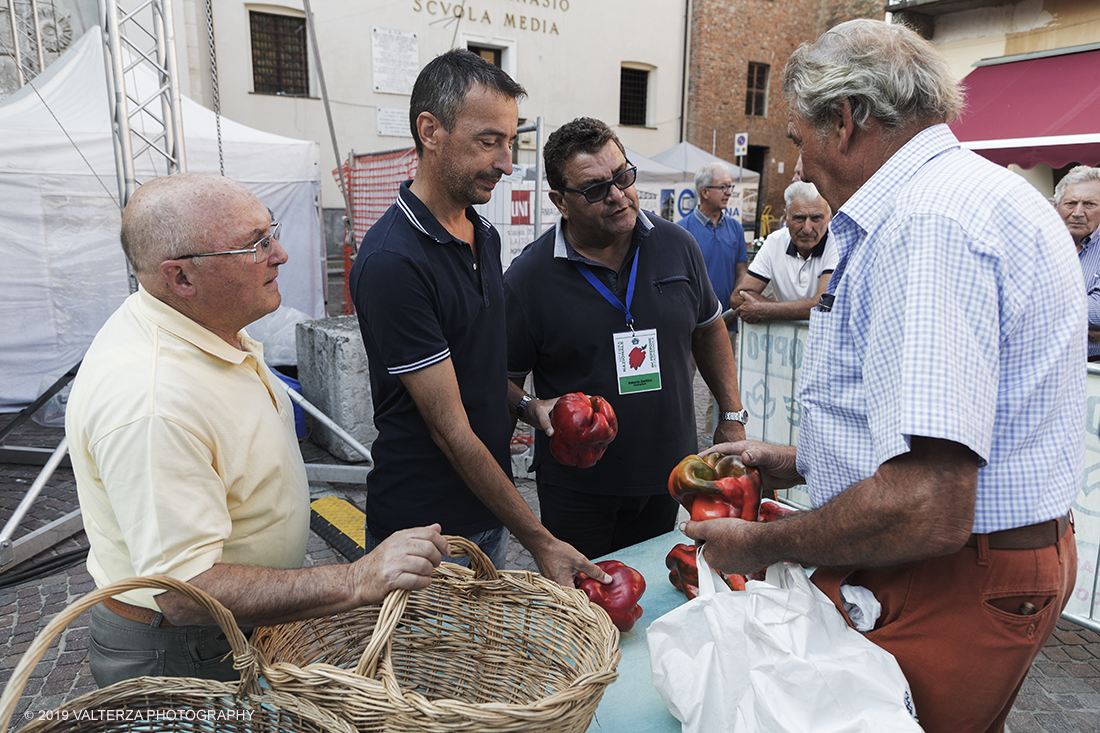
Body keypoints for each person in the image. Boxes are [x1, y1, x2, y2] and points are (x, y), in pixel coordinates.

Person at [684, 20, 1083, 733]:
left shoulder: (926, 224)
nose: (799, 163)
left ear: (845, 120)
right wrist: (803, 460)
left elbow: (929, 501)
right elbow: (955, 439)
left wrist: (764, 542)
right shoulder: (980, 193)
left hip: (954, 571)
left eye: (800, 135)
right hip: (982, 560)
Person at [65, 173, 450, 687]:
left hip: (227, 634)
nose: (281, 254)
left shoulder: (204, 323)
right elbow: (186, 591)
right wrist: (357, 578)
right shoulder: (152, 400)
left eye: (271, 231)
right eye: (256, 244)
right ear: (181, 278)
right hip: (185, 650)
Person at [348, 50, 606, 587]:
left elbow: (478, 373)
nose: (506, 163)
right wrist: (540, 539)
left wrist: (532, 407)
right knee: (429, 674)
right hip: (424, 539)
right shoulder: (393, 261)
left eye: (511, 142)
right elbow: (450, 430)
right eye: (489, 141)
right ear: (430, 130)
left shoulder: (481, 234)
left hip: (488, 514)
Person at [504, 117, 747, 560]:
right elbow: (497, 377)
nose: (617, 195)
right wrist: (530, 407)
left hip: (669, 475)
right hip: (578, 490)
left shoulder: (678, 245)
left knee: (652, 598)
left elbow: (709, 325)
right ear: (560, 201)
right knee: (584, 609)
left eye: (623, 176)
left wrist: (731, 412)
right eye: (595, 189)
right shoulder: (528, 278)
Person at [675, 162, 748, 437]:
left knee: (723, 389)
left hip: (726, 323)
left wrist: (737, 297)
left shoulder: (736, 229)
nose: (729, 192)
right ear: (705, 192)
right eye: (724, 186)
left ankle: (714, 439)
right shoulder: (681, 230)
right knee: (683, 385)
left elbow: (742, 271)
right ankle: (682, 438)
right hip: (691, 325)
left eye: (730, 186)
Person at [730, 181, 836, 322]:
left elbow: (822, 304)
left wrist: (763, 310)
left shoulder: (836, 244)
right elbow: (738, 297)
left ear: (830, 217)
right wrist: (791, 311)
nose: (807, 228)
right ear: (785, 217)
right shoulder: (775, 241)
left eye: (816, 218)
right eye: (799, 218)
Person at [1054, 165, 1100, 358]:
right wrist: (1086, 328)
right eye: (1071, 203)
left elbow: (1098, 311)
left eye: (1089, 204)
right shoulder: (1036, 242)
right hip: (1048, 366)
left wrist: (1045, 311)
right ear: (1056, 207)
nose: (1078, 212)